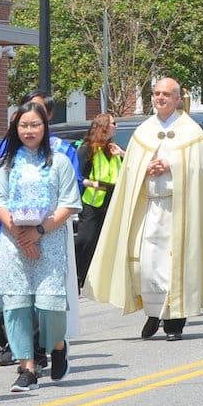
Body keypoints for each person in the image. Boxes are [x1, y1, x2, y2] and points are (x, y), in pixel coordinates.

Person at [86, 77, 203, 340]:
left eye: (166, 94)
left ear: (178, 98)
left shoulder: (192, 132)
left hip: (178, 209)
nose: (160, 98)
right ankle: (152, 313)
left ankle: (174, 323)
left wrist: (173, 165)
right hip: (149, 208)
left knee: (174, 265)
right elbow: (129, 169)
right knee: (147, 265)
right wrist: (145, 167)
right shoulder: (143, 131)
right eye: (157, 94)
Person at [0, 102, 81, 392]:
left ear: (45, 127)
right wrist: (19, 235)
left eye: (35, 125)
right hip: (14, 245)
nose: (29, 131)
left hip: (48, 241)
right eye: (23, 125)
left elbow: (69, 204)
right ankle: (26, 367)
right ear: (16, 128)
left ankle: (58, 344)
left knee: (49, 306)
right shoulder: (6, 163)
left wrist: (38, 232)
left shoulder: (59, 161)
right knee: (15, 306)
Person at [74, 114, 122, 291]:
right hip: (93, 201)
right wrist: (93, 184)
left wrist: (122, 154)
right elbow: (79, 177)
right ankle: (80, 275)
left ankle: (102, 278)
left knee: (107, 242)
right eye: (113, 124)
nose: (116, 127)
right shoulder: (87, 149)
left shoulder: (114, 149)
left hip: (112, 201)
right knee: (86, 240)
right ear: (103, 127)